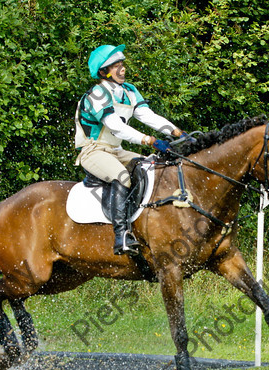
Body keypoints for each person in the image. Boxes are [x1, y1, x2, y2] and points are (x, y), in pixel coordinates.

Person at [74, 44, 186, 255]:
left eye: (122, 64)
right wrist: (149, 140)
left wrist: (178, 132)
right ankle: (121, 236)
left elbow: (148, 116)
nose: (122, 69)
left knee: (153, 167)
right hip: (93, 150)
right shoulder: (97, 94)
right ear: (103, 71)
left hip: (117, 150)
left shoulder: (129, 91)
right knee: (122, 176)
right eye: (116, 66)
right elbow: (115, 125)